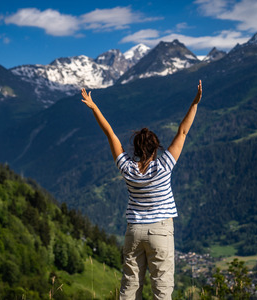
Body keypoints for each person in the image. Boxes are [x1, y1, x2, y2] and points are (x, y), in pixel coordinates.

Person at [80, 80, 202, 299]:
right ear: (156, 148)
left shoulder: (127, 168)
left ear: (135, 149)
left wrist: (94, 107)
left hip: (135, 230)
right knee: (162, 289)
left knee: (130, 286)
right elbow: (183, 132)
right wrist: (194, 103)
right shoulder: (164, 166)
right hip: (161, 231)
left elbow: (110, 134)